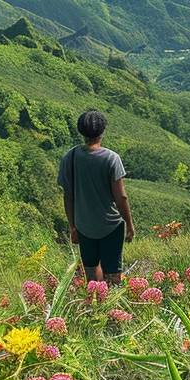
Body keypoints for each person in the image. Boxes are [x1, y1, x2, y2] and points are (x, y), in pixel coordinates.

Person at [58, 110, 134, 283]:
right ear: (102, 131)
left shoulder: (70, 157)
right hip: (111, 227)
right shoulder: (111, 158)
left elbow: (68, 196)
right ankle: (112, 307)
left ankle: (96, 305)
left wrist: (72, 226)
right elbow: (121, 197)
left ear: (81, 131)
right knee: (113, 275)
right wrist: (129, 225)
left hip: (84, 226)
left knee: (91, 275)